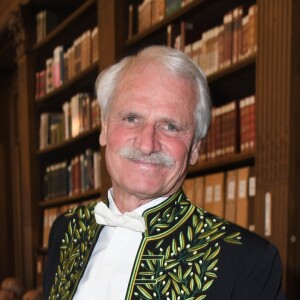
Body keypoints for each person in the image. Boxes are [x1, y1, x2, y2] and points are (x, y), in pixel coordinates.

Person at [43, 45, 285, 299]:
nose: (147, 144)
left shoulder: (249, 262)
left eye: (170, 126)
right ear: (104, 129)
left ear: (194, 148)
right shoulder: (66, 229)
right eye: (132, 118)